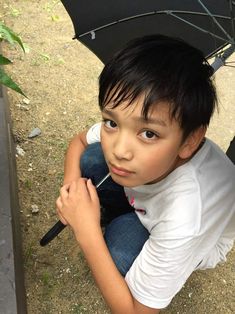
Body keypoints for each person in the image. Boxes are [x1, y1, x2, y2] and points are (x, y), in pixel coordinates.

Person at [56, 34, 235, 313]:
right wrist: (71, 188)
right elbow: (78, 142)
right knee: (92, 158)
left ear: (189, 140)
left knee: (117, 248)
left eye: (148, 133)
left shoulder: (186, 218)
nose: (120, 150)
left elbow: (136, 311)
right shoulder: (135, 134)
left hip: (190, 233)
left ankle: (119, 222)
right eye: (111, 122)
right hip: (148, 191)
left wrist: (87, 231)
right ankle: (121, 210)